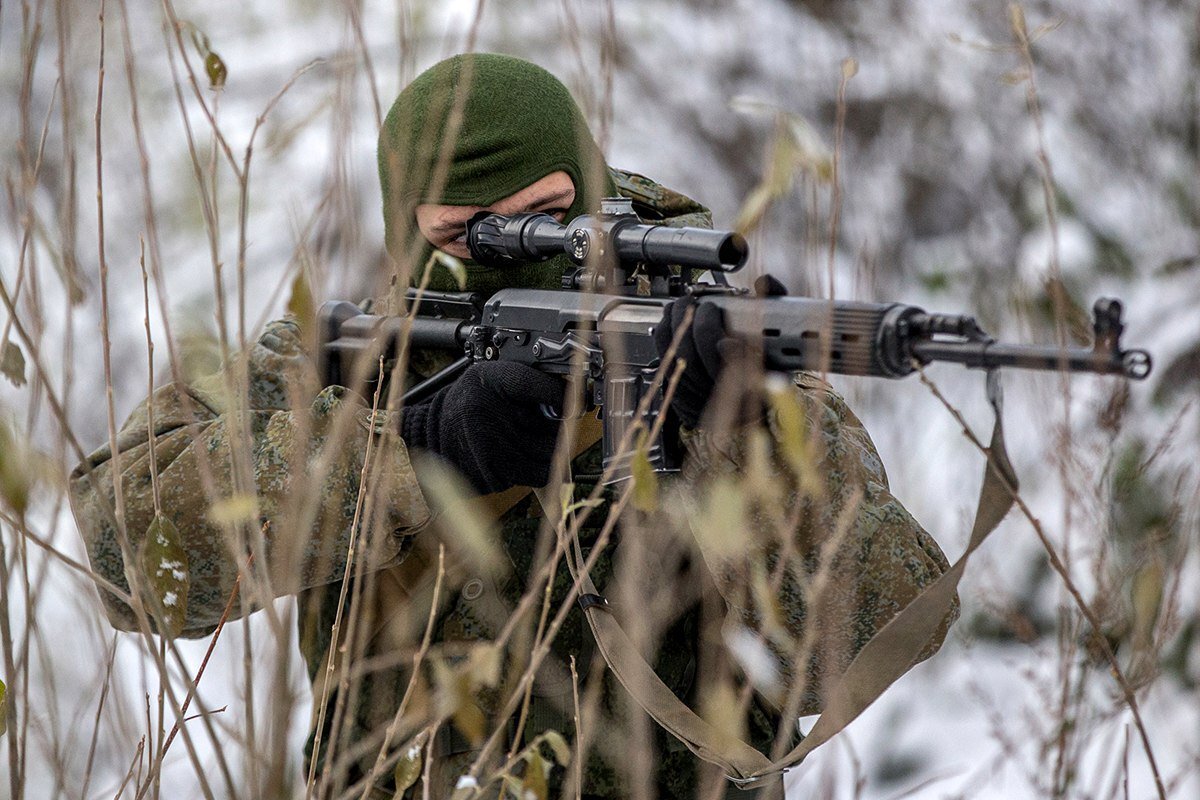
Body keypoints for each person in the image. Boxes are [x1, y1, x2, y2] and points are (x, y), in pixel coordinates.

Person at [70, 54, 955, 799]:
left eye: (550, 213)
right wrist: (422, 452)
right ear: (405, 231)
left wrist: (740, 432)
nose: (521, 247)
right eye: (469, 233)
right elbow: (126, 560)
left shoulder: (704, 351)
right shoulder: (339, 361)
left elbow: (882, 635)